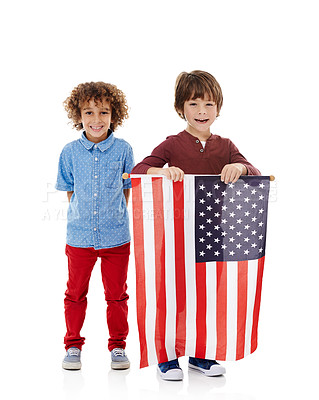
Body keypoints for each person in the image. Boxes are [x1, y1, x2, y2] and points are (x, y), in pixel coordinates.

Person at [132, 70, 260, 380]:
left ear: (218, 108)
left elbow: (255, 172)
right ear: (180, 109)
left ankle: (201, 355)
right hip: (174, 234)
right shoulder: (172, 144)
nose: (202, 112)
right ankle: (167, 355)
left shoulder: (226, 145)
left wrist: (238, 166)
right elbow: (140, 169)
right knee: (170, 293)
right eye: (193, 104)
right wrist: (161, 173)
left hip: (212, 233)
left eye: (209, 104)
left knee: (206, 295)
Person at [56, 81, 134, 371]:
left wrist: (111, 215)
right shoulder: (69, 152)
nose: (97, 119)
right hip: (79, 237)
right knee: (75, 293)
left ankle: (118, 346)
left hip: (117, 238)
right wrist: (85, 217)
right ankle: (73, 345)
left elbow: (126, 189)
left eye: (104, 112)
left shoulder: (124, 149)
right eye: (89, 113)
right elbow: (69, 190)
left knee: (117, 295)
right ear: (79, 115)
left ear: (114, 115)